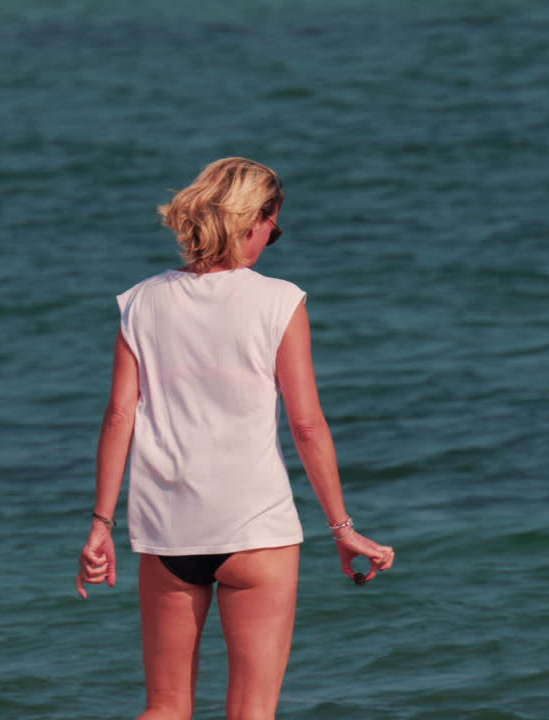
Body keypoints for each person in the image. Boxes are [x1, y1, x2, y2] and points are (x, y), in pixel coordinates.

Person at [75, 157, 395, 720]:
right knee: (252, 711)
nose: (274, 238)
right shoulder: (279, 300)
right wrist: (342, 528)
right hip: (257, 529)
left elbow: (118, 417)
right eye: (275, 225)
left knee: (166, 707)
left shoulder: (141, 301)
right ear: (256, 221)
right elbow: (306, 424)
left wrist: (101, 526)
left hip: (169, 529)